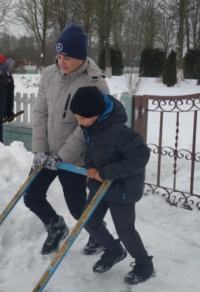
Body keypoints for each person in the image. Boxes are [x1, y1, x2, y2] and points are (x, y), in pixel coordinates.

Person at [25, 23, 109, 256]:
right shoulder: (49, 74)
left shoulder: (95, 83)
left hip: (75, 158)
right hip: (48, 152)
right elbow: (41, 112)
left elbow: (88, 128)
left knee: (77, 208)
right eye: (59, 56)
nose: (62, 62)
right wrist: (40, 149)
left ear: (81, 56)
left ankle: (98, 235)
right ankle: (55, 227)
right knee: (31, 196)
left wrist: (62, 157)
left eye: (68, 58)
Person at [69, 86, 155, 286]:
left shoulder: (119, 131)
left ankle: (144, 264)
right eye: (77, 118)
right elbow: (92, 151)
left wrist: (105, 173)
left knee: (125, 231)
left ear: (97, 113)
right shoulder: (92, 126)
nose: (79, 123)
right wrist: (91, 166)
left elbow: (141, 156)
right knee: (88, 221)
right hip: (100, 185)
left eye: (82, 118)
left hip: (122, 189)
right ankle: (113, 250)